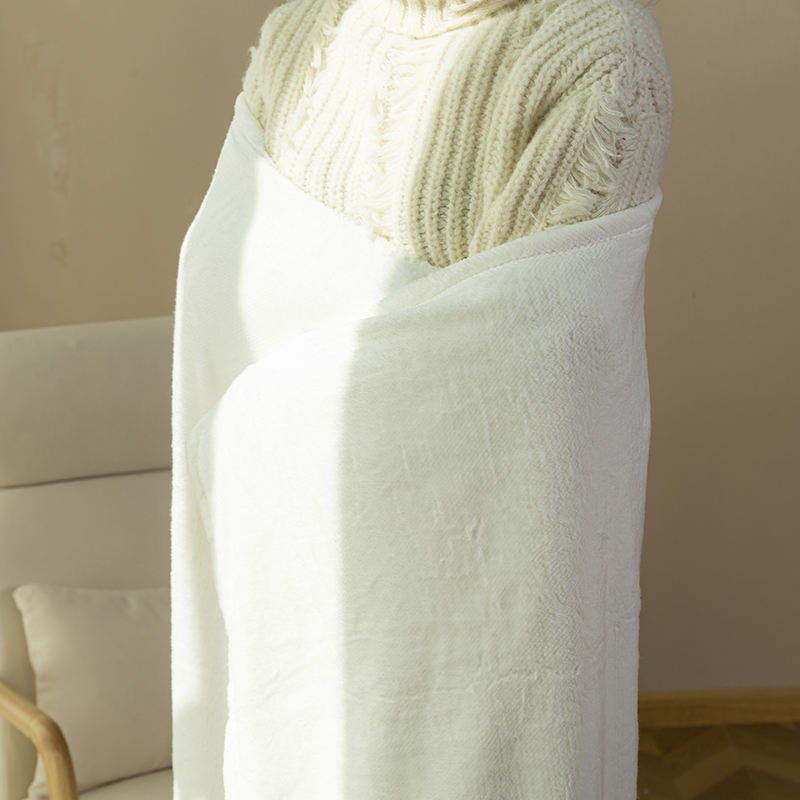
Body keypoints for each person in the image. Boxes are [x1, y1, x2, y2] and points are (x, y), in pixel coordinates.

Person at [240, 0, 672, 268]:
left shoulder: (603, 60)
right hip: (258, 398)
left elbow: (512, 341)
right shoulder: (297, 32)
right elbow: (230, 292)